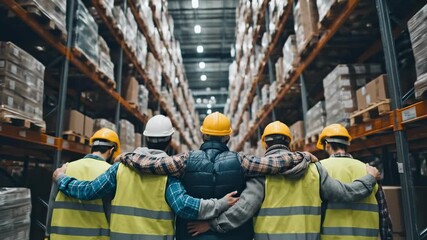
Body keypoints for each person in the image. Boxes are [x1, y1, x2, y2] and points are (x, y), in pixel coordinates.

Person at [118, 112, 318, 240]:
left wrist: (128, 156)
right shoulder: (243, 161)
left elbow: (155, 164)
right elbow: (273, 164)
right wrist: (302, 157)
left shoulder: (184, 161)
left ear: (202, 135)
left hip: (191, 235)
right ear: (227, 137)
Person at [52, 115, 240, 239]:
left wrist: (61, 178)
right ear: (170, 141)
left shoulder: (120, 168)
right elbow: (184, 206)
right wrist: (221, 203)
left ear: (145, 138)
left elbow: (89, 190)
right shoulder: (169, 175)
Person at [186, 121, 380, 240]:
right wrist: (369, 179)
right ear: (289, 142)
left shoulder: (261, 174)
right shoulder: (314, 169)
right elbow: (344, 193)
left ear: (264, 144)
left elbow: (243, 209)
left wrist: (212, 224)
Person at [317, 123, 393, 240]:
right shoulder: (370, 171)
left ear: (327, 145)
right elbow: (383, 214)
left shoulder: (318, 169)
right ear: (347, 145)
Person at [47, 128, 120, 240]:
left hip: (61, 237)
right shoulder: (110, 173)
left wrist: (47, 234)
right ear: (111, 150)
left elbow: (52, 204)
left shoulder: (64, 169)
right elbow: (111, 211)